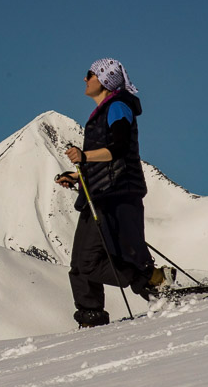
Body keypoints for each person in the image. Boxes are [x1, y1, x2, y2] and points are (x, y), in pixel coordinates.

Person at [55, 58, 170, 328]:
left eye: (90, 74)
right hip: (100, 193)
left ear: (105, 79)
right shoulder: (103, 112)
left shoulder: (118, 107)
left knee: (89, 262)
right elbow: (105, 160)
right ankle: (90, 317)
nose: (85, 79)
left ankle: (152, 280)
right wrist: (75, 175)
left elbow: (118, 148)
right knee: (79, 264)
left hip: (115, 194)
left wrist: (83, 157)